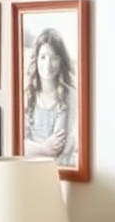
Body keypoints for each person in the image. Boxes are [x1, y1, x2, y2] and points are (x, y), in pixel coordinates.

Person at [23, 26, 76, 166]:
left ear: (61, 61)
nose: (48, 64)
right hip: (26, 171)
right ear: (36, 59)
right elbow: (17, 144)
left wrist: (31, 148)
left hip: (57, 175)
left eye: (54, 58)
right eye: (43, 57)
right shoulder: (26, 94)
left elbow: (58, 149)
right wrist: (43, 148)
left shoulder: (70, 95)